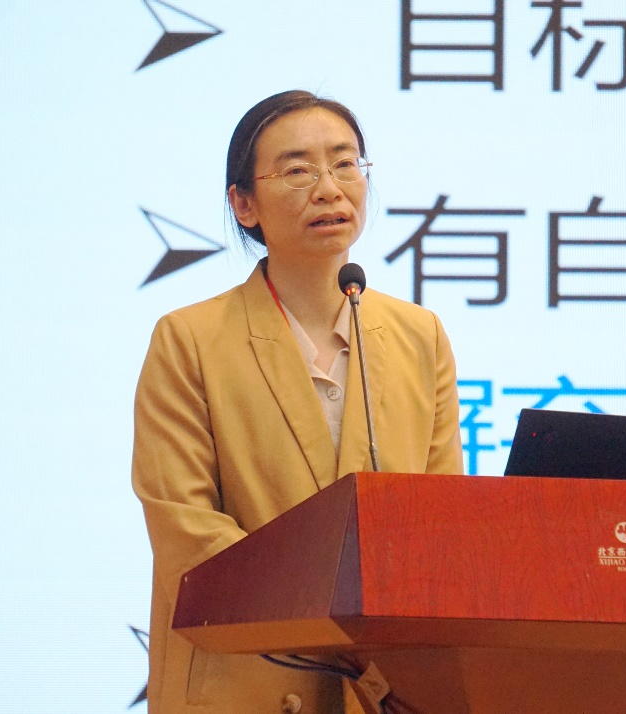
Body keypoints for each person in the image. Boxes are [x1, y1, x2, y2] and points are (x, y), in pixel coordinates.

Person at [132, 90, 464, 713]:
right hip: (247, 682)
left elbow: (439, 521)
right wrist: (334, 614)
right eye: (298, 170)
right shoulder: (190, 339)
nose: (330, 189)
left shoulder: (419, 336)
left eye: (345, 164)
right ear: (244, 203)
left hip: (382, 691)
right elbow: (186, 529)